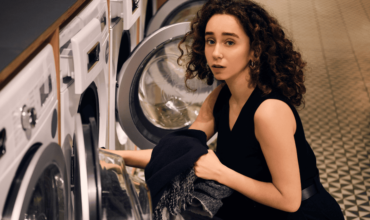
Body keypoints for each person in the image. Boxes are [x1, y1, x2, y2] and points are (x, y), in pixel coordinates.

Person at [106, 0, 344, 219]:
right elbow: (179, 153)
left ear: (254, 51)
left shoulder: (269, 112)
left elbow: (289, 200)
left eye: (229, 42)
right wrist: (115, 158)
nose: (216, 53)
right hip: (254, 207)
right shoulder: (220, 97)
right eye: (211, 41)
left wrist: (220, 172)